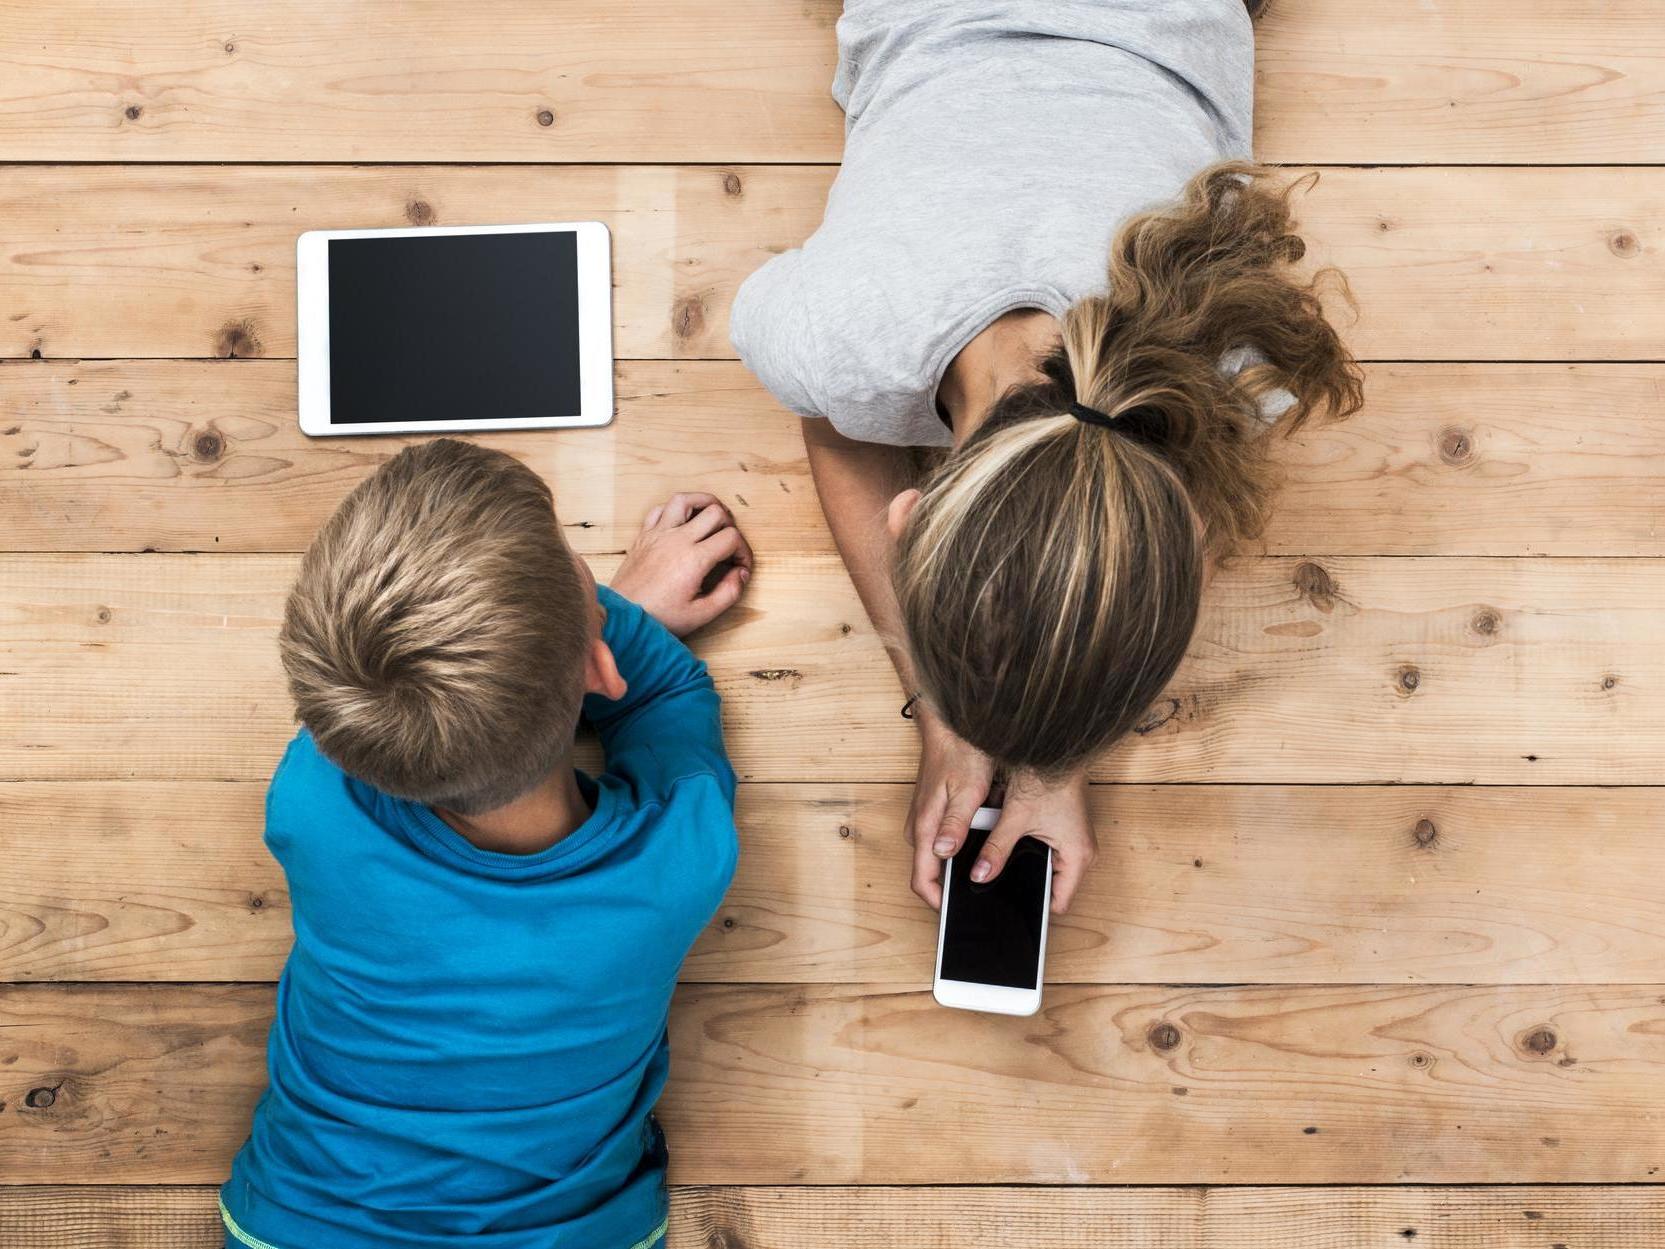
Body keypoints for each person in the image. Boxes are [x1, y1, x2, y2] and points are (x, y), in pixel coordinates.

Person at [730, 0, 1362, 915]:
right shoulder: (838, 333)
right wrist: (971, 724)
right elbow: (834, 417)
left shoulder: (1233, 365)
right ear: (905, 520)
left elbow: (835, 421)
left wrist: (1028, 744)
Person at [219, 440, 752, 1249]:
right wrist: (601, 621)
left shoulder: (314, 799)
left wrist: (577, 629)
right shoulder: (683, 854)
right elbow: (668, 690)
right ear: (601, 672)